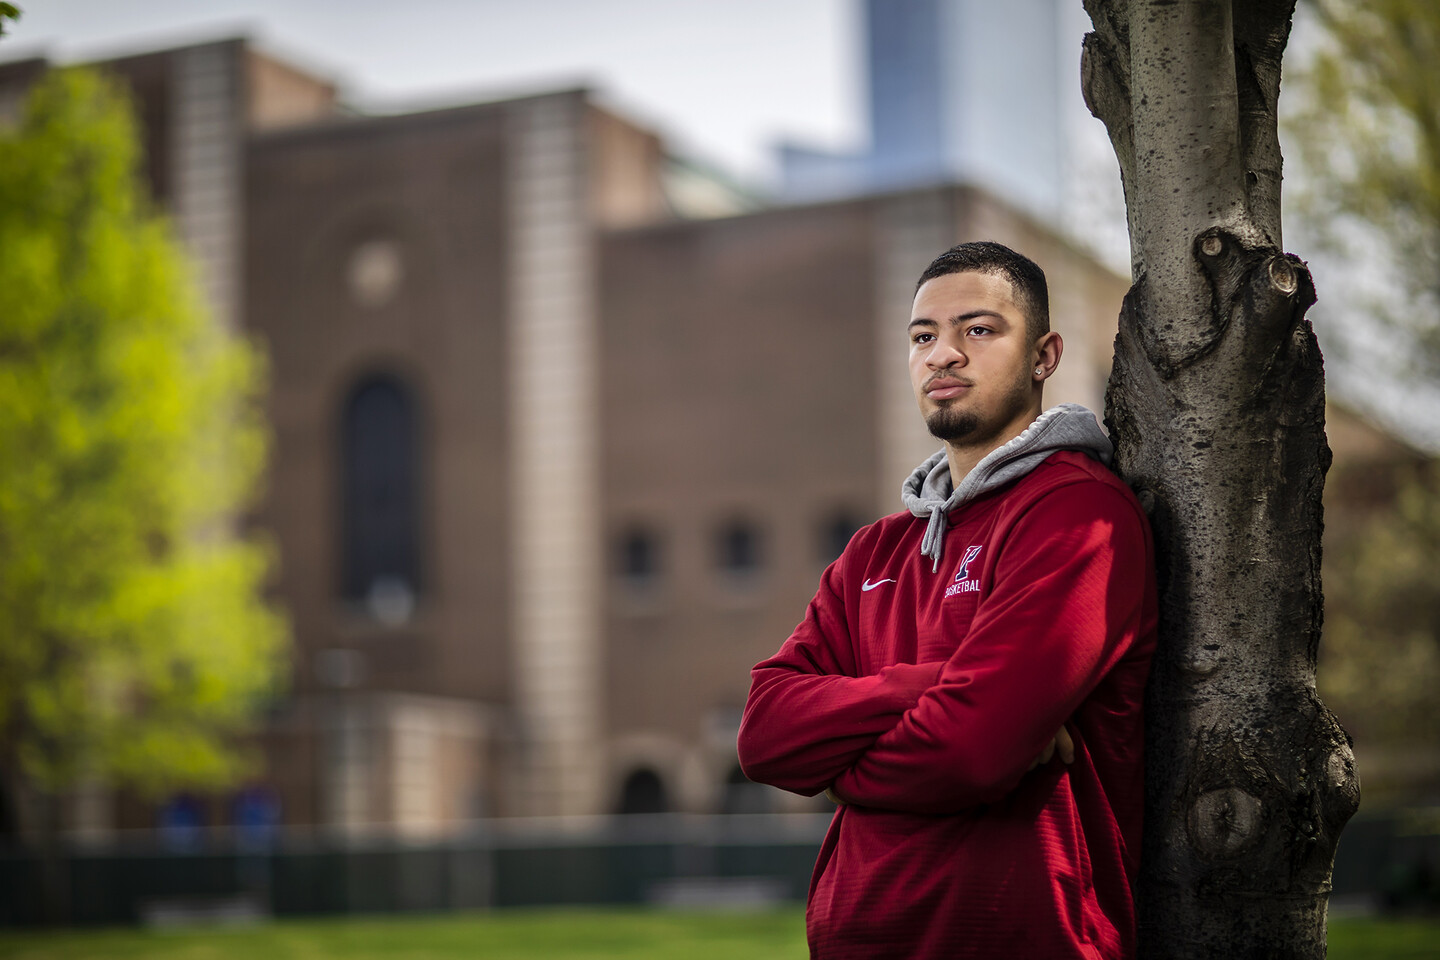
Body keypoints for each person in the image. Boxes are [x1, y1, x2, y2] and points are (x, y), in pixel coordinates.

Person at [737, 241, 1158, 959]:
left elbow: (972, 752)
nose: (944, 354)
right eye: (923, 336)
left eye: (979, 330)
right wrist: (931, 685)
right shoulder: (874, 551)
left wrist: (839, 771)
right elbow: (765, 732)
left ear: (1045, 355)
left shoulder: (1078, 514)